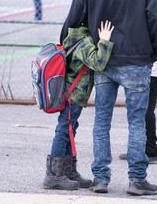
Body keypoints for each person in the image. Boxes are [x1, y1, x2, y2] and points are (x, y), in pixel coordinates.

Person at [60, 0, 157, 196]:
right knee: (136, 121)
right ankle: (137, 179)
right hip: (137, 57)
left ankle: (100, 178)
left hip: (103, 56)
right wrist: (154, 50)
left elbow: (74, 16)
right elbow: (156, 16)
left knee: (102, 121)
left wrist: (66, 41)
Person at [43, 21, 115, 191]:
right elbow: (98, 63)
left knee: (69, 129)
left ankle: (68, 171)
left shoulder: (74, 35)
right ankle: (54, 175)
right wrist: (104, 41)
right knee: (63, 130)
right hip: (73, 94)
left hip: (71, 93)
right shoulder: (83, 41)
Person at [119, 0, 157, 164]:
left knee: (142, 105)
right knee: (142, 104)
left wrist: (146, 48)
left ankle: (149, 150)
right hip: (154, 54)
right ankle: (143, 148)